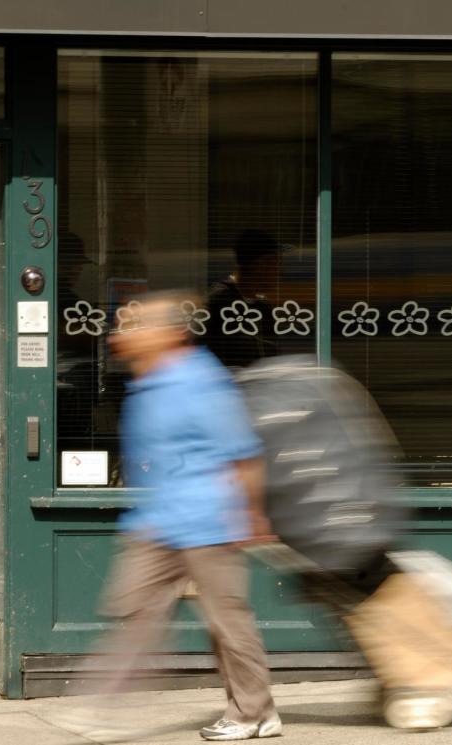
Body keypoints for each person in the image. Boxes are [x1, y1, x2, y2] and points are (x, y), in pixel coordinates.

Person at [87, 290, 280, 741]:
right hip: (159, 521)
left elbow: (244, 453)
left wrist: (251, 515)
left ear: (172, 334)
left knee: (227, 621)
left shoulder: (201, 382)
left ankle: (255, 714)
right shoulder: (145, 383)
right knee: (132, 607)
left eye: (137, 326)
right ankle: (101, 705)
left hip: (209, 518)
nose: (123, 334)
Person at [203, 230, 283, 368]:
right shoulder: (220, 303)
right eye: (273, 263)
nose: (279, 271)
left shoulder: (263, 307)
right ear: (257, 264)